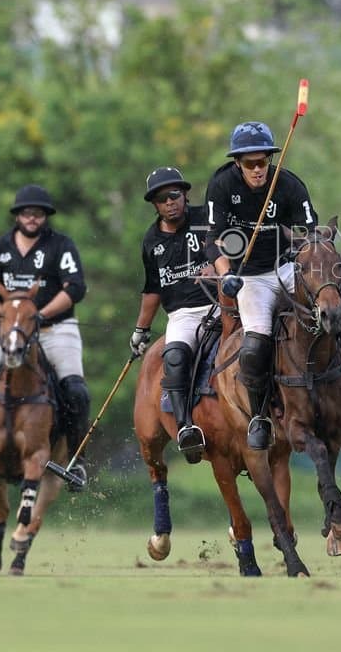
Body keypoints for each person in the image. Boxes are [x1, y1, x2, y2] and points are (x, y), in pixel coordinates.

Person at [204, 121, 341, 451]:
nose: (258, 170)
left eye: (263, 162)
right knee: (255, 343)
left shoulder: (288, 184)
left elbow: (312, 234)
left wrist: (317, 264)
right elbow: (212, 240)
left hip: (287, 267)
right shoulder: (222, 185)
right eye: (250, 164)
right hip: (249, 277)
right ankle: (259, 415)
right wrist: (226, 274)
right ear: (237, 163)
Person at [0, 184, 92, 489]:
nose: (32, 218)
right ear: (18, 216)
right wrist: (6, 316)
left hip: (55, 328)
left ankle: (77, 462)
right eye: (27, 213)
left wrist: (39, 315)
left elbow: (75, 288)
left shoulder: (60, 246)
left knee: (76, 392)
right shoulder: (1, 249)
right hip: (11, 330)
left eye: (38, 214)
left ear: (45, 217)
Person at [129, 166, 215, 464]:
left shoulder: (207, 218)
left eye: (174, 195)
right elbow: (152, 289)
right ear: (155, 204)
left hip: (224, 305)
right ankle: (186, 429)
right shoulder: (151, 242)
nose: (170, 202)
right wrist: (141, 330)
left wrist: (220, 265)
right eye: (162, 198)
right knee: (174, 357)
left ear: (185, 194)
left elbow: (239, 246)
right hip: (184, 315)